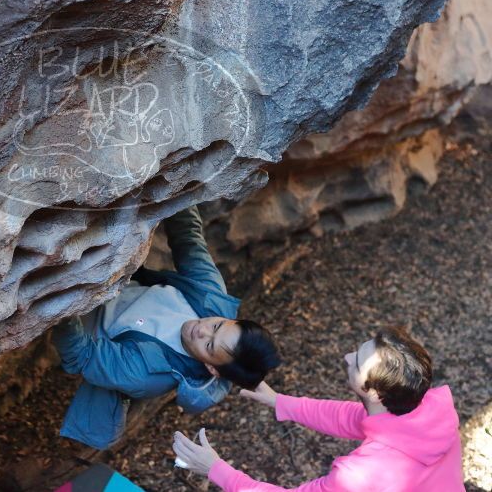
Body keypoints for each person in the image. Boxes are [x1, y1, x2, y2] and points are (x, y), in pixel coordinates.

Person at [53, 204, 281, 450]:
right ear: (229, 320)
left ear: (211, 368)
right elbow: (189, 241)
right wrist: (182, 191)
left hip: (82, 312)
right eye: (217, 326)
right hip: (115, 280)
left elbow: (81, 355)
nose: (201, 330)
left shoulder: (147, 375)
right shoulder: (211, 300)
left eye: (209, 345)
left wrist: (65, 299)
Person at [172, 326, 464, 491]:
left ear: (374, 392)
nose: (348, 357)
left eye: (358, 362)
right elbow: (350, 417)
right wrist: (281, 402)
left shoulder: (359, 475)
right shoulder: (431, 413)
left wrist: (216, 469)